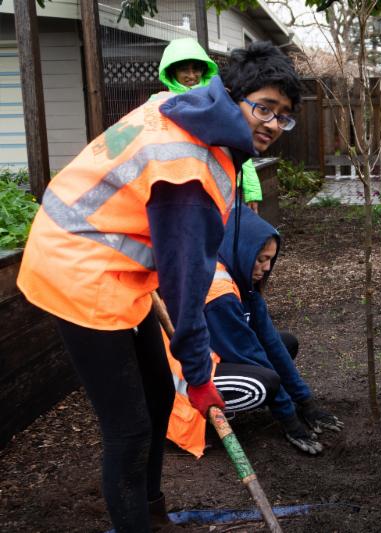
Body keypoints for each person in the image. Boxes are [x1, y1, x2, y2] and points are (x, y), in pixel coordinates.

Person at [16, 41, 300, 532]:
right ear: (232, 97)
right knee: (129, 429)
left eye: (284, 116)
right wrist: (200, 376)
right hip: (78, 269)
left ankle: (154, 514)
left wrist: (189, 379)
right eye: (264, 108)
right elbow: (186, 288)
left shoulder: (187, 108)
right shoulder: (187, 172)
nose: (273, 124)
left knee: (157, 397)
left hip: (115, 263)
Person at [167, 206, 343, 457]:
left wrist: (306, 402)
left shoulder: (240, 278)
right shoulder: (219, 293)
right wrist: (289, 419)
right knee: (263, 384)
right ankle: (205, 421)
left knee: (285, 343)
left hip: (214, 356)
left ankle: (262, 398)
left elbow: (270, 343)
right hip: (187, 386)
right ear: (243, 251)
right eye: (261, 259)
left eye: (270, 259)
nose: (267, 267)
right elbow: (250, 354)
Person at [155, 37, 265, 212]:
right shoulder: (160, 103)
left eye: (196, 69)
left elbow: (238, 144)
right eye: (184, 69)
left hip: (222, 183)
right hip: (179, 186)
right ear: (172, 72)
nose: (192, 75)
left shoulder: (217, 101)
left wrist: (251, 190)